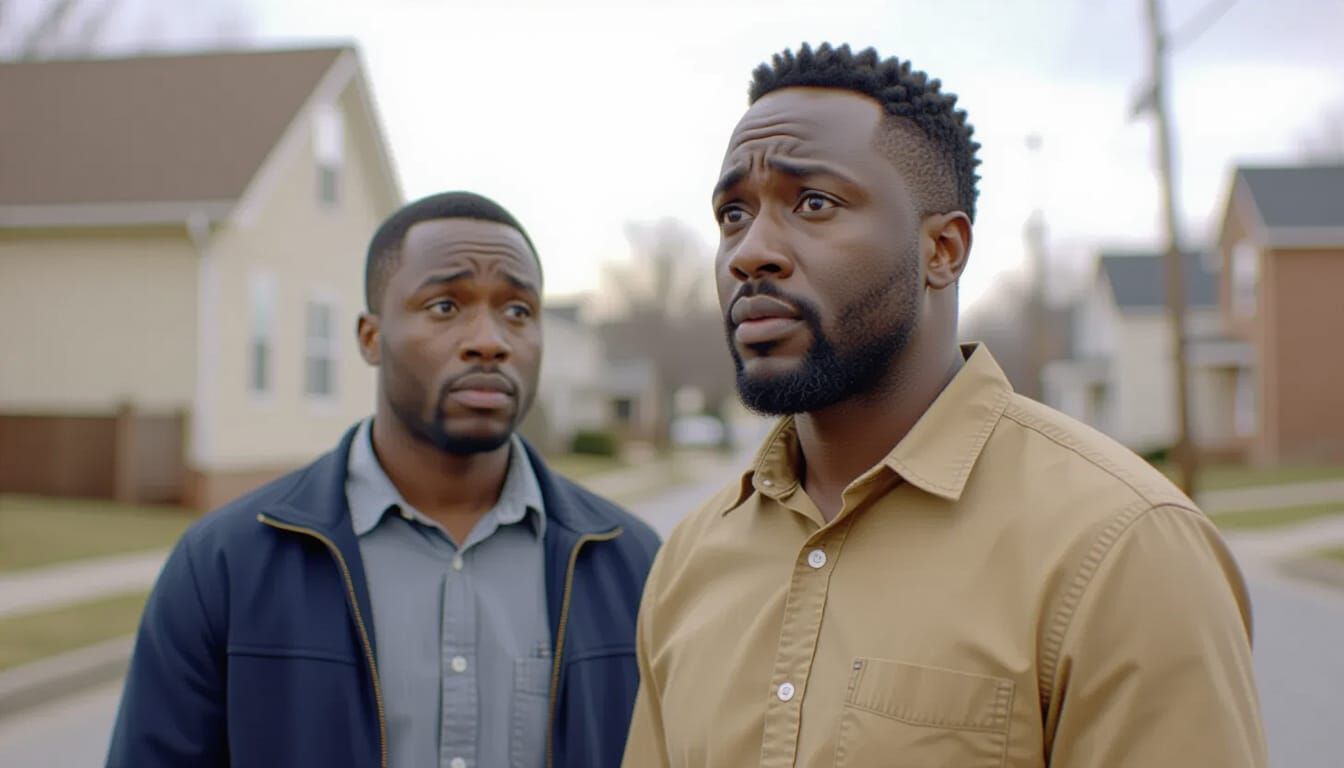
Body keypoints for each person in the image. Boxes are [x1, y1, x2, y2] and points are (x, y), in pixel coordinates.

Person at [623, 43, 1266, 767]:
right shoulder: (689, 560)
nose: (750, 252)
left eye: (813, 203)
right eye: (733, 214)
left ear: (943, 250)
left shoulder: (1122, 547)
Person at [109, 192, 659, 768]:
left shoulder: (636, 569)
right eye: (446, 306)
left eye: (518, 311)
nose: (490, 339)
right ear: (371, 338)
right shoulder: (224, 565)